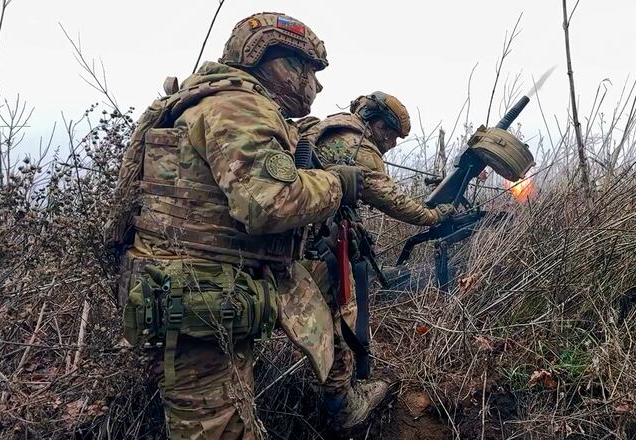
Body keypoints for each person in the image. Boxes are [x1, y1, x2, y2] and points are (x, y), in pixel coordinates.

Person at [109, 12, 362, 439]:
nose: (316, 86)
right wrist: (336, 184)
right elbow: (269, 203)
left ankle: (342, 401)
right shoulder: (239, 106)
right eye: (311, 71)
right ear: (280, 64)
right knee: (218, 427)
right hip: (197, 299)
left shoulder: (205, 99)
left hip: (189, 293)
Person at [298, 92, 455, 430]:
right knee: (340, 319)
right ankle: (342, 405)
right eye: (392, 135)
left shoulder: (326, 128)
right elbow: (393, 201)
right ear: (377, 123)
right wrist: (435, 214)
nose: (393, 144)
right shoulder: (359, 148)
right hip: (318, 249)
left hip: (295, 244)